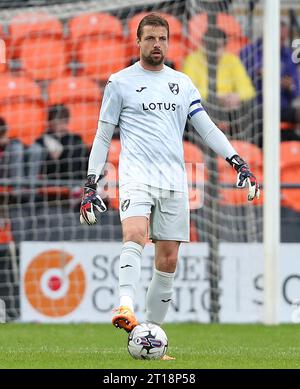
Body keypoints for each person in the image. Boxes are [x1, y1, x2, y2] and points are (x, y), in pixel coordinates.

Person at [79, 13, 259, 359]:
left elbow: (206, 128)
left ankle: (151, 339)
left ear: (168, 41)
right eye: (150, 38)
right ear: (139, 42)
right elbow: (103, 135)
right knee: (134, 235)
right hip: (135, 176)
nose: (156, 44)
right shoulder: (119, 82)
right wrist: (91, 182)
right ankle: (125, 307)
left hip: (175, 180)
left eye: (162, 38)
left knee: (168, 259)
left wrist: (237, 161)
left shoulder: (182, 83)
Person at [240, 20, 300, 140]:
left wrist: (290, 86)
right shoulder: (248, 52)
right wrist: (258, 74)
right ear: (268, 35)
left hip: (281, 110)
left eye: (284, 39)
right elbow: (240, 80)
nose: (282, 43)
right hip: (256, 109)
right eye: (280, 39)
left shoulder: (288, 55)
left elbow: (296, 90)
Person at [183, 28, 256, 111]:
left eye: (218, 46)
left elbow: (249, 90)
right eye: (210, 45)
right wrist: (217, 97)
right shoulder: (192, 60)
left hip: (229, 108)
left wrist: (238, 97)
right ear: (203, 44)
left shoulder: (232, 60)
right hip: (202, 108)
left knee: (250, 106)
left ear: (225, 47)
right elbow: (188, 91)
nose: (213, 51)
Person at [28, 105, 88, 181]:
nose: (59, 124)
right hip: (53, 175)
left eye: (62, 120)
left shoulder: (75, 139)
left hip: (76, 174)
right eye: (56, 120)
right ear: (50, 122)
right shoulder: (43, 139)